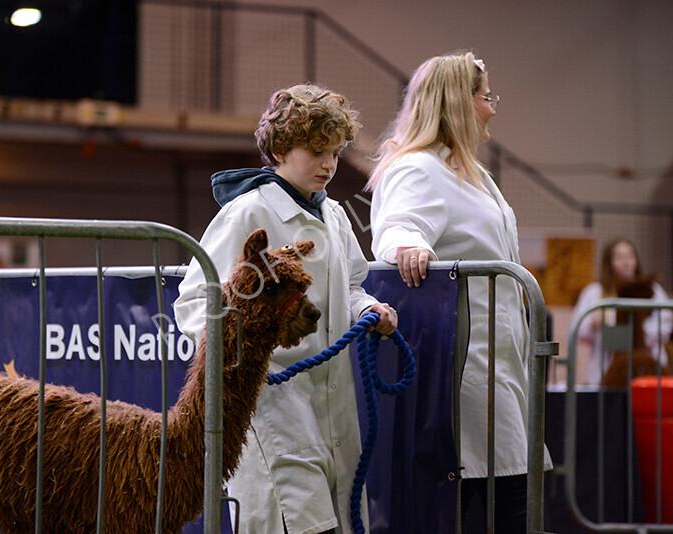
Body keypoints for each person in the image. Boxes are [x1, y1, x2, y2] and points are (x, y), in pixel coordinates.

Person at [174, 84, 398, 534]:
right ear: (279, 148)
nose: (330, 165)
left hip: (332, 399)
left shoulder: (334, 215)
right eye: (317, 151)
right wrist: (247, 355)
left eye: (335, 152)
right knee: (295, 522)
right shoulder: (246, 213)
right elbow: (196, 302)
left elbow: (351, 284)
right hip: (270, 402)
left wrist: (369, 309)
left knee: (336, 520)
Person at [366, 51, 552, 532]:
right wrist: (408, 245)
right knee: (499, 506)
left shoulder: (471, 172)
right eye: (486, 97)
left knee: (511, 501)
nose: (493, 108)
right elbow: (396, 228)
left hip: (500, 371)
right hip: (467, 379)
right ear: (458, 103)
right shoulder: (418, 169)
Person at [572, 238, 672, 385]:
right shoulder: (594, 292)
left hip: (647, 370)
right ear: (609, 262)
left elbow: (664, 327)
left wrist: (636, 329)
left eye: (630, 256)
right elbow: (578, 329)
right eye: (619, 257)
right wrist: (593, 324)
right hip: (604, 369)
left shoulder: (652, 290)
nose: (626, 262)